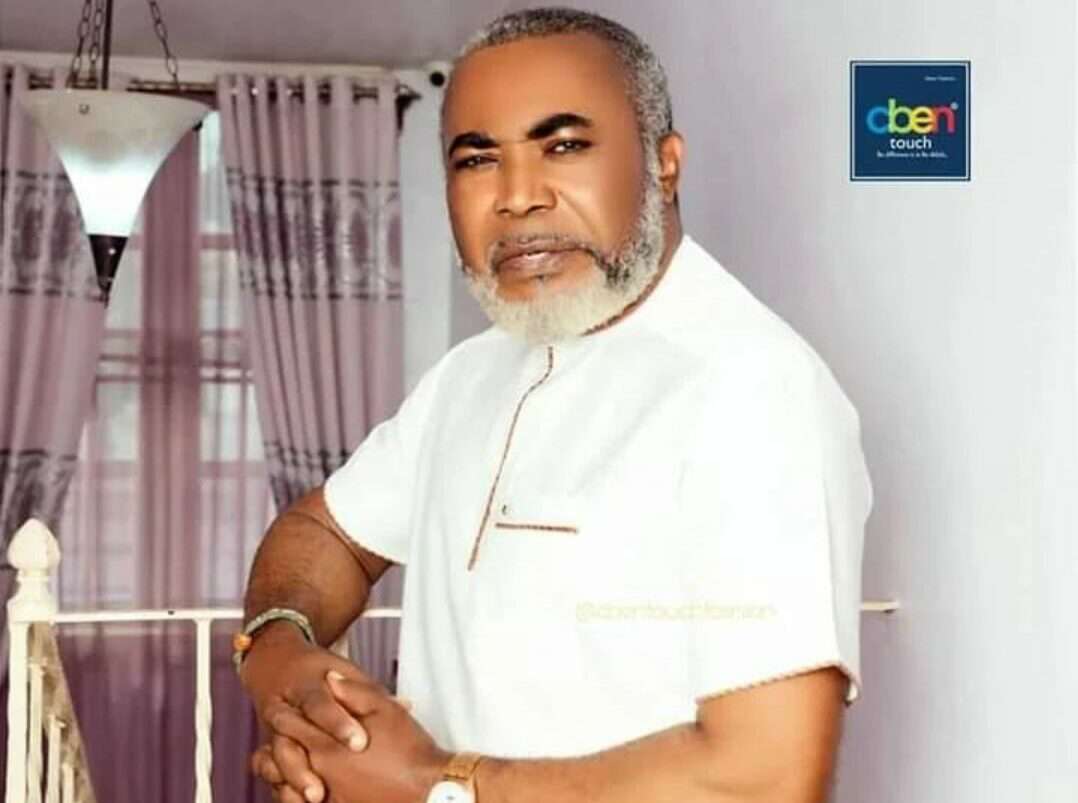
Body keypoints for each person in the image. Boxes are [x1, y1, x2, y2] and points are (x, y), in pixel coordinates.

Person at [239, 7, 873, 803]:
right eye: (478, 159)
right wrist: (280, 651)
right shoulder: (469, 375)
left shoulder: (751, 387)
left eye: (564, 146)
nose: (517, 197)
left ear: (664, 164)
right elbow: (327, 531)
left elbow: (764, 779)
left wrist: (430, 785)